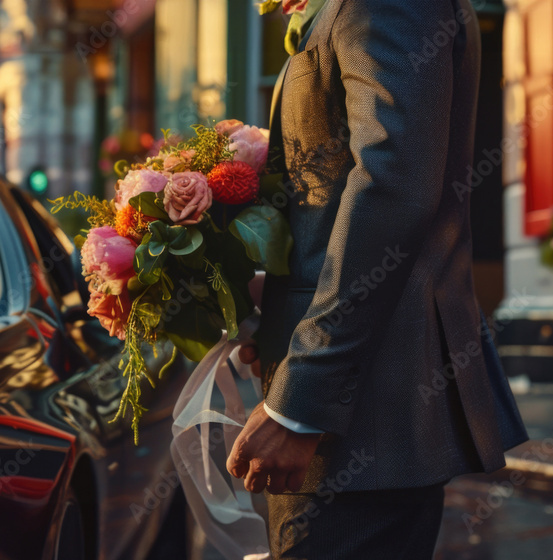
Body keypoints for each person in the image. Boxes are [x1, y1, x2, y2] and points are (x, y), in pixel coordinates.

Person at [226, 0, 529, 557]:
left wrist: (302, 402)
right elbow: (337, 207)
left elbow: (393, 188)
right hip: (350, 412)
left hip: (360, 414)